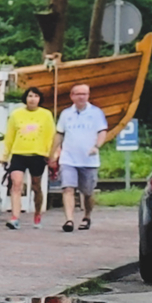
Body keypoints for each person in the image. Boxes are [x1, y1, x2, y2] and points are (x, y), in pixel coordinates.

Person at [52, 82, 109, 232]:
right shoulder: (66, 114)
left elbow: (102, 131)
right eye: (78, 94)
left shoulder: (96, 113)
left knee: (88, 192)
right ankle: (69, 220)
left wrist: (97, 146)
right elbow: (59, 133)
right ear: (72, 96)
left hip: (88, 160)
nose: (82, 97)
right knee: (68, 188)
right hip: (68, 158)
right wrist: (52, 153)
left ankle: (87, 216)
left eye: (85, 94)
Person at [1, 90, 55, 231]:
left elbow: (51, 135)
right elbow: (9, 136)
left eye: (36, 96)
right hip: (19, 153)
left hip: (38, 154)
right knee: (16, 184)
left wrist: (51, 155)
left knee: (36, 186)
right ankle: (15, 217)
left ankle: (37, 214)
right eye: (30, 96)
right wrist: (4, 155)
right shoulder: (16, 114)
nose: (32, 99)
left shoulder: (46, 115)